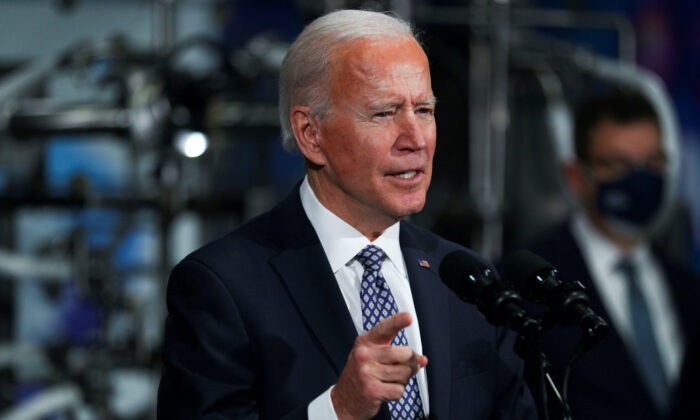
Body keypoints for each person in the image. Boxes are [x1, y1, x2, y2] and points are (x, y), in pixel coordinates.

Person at [157, 9, 536, 420]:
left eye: (424, 110)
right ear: (311, 134)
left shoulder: (467, 282)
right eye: (384, 113)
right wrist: (339, 410)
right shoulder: (222, 287)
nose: (415, 140)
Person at [523, 91, 700, 419]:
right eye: (618, 165)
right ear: (576, 176)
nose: (639, 179)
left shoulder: (688, 287)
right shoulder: (530, 281)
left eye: (653, 162)